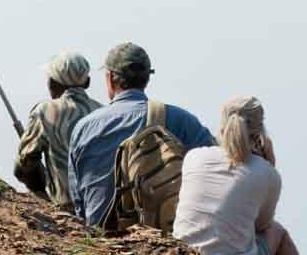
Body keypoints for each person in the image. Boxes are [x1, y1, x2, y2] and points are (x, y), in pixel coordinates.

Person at [172, 95, 307, 255]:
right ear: (260, 134)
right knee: (278, 232)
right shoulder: (266, 172)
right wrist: (269, 166)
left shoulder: (194, 157)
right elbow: (262, 226)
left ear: (222, 125)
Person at [67, 42, 214, 229]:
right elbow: (214, 173)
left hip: (100, 238)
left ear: (110, 78)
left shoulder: (84, 128)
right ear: (147, 78)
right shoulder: (182, 121)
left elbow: (78, 202)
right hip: (165, 239)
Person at [12, 51, 101, 213]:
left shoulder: (45, 111)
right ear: (87, 82)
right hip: (101, 208)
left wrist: (41, 190)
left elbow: (24, 165)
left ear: (52, 83)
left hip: (67, 210)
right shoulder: (102, 112)